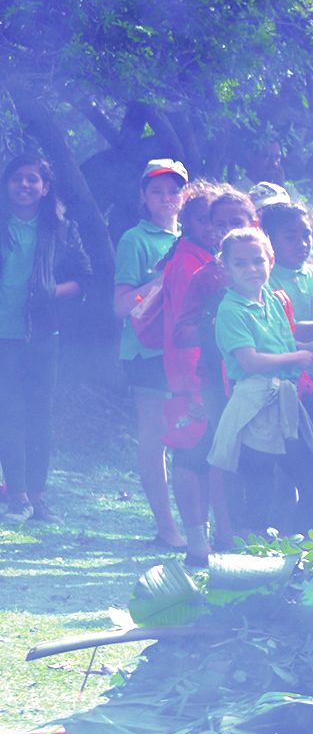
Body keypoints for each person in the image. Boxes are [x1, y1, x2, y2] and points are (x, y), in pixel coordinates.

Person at [207, 228, 313, 535]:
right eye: (240, 264)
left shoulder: (273, 300)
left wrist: (312, 347)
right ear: (225, 268)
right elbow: (250, 361)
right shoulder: (230, 309)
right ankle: (253, 564)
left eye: (257, 260)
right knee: (259, 491)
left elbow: (284, 346)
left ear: (271, 261)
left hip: (284, 401)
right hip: (255, 405)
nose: (251, 269)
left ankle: (304, 555)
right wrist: (296, 359)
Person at [164, 183, 255, 565]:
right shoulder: (205, 275)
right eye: (219, 223)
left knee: (246, 463)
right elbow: (181, 331)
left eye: (237, 221)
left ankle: (240, 537)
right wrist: (217, 326)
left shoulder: (268, 269)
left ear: (255, 223)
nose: (226, 229)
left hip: (255, 383)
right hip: (210, 383)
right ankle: (200, 543)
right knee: (196, 455)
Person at [0, 154, 90, 521]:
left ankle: (37, 496)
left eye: (32, 179)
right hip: (3, 337)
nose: (24, 185)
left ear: (45, 187)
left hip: (42, 334)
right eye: (17, 178)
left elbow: (85, 278)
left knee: (40, 414)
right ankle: (16, 494)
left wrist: (53, 290)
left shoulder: (61, 228)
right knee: (9, 412)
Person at [114, 158, 189, 545]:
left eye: (174, 190)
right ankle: (167, 527)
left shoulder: (193, 237)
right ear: (143, 196)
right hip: (147, 352)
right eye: (157, 190)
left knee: (190, 434)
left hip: (185, 351)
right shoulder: (135, 240)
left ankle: (194, 524)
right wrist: (162, 279)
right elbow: (122, 304)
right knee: (156, 434)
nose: (166, 197)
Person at [261, 202, 313, 535]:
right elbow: (281, 331)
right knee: (291, 467)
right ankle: (282, 534)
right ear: (270, 240)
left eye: (306, 234)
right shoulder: (266, 277)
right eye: (290, 236)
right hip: (287, 386)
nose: (302, 243)